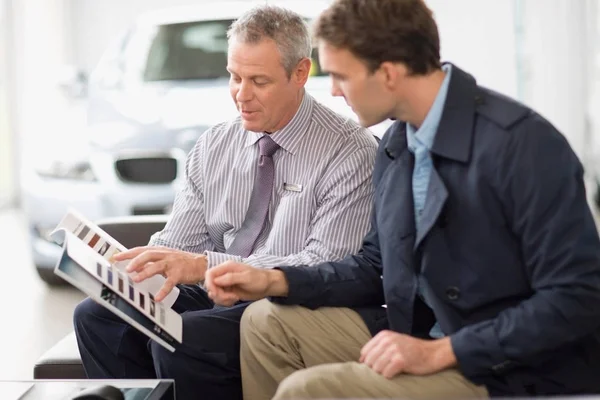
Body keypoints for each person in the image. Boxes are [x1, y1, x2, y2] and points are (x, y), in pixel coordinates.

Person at [205, 0, 600, 398]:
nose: (334, 90)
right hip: (420, 332)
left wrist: (444, 351)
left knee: (307, 390)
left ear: (389, 74)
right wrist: (274, 279)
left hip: (508, 367)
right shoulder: (398, 143)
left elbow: (578, 296)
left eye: (341, 75)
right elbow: (375, 266)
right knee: (264, 323)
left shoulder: (522, 143)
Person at [73, 5, 378, 400]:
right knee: (98, 315)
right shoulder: (215, 143)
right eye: (235, 77)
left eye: (259, 81)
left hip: (285, 304)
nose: (241, 95)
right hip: (213, 290)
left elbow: (325, 264)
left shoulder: (349, 151)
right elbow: (179, 243)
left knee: (189, 337)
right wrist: (138, 269)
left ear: (301, 73)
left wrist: (206, 266)